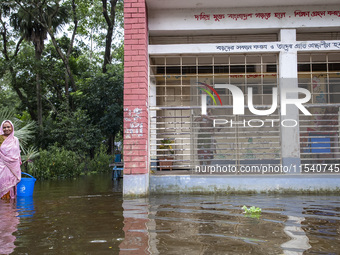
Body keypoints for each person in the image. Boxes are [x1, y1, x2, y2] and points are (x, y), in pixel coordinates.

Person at [0, 120, 21, 200]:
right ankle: (3, 210)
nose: (6, 129)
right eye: (4, 127)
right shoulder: (0, 138)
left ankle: (10, 210)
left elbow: (18, 154)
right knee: (3, 186)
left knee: (11, 188)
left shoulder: (15, 139)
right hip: (2, 166)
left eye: (8, 127)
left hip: (13, 167)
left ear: (12, 127)